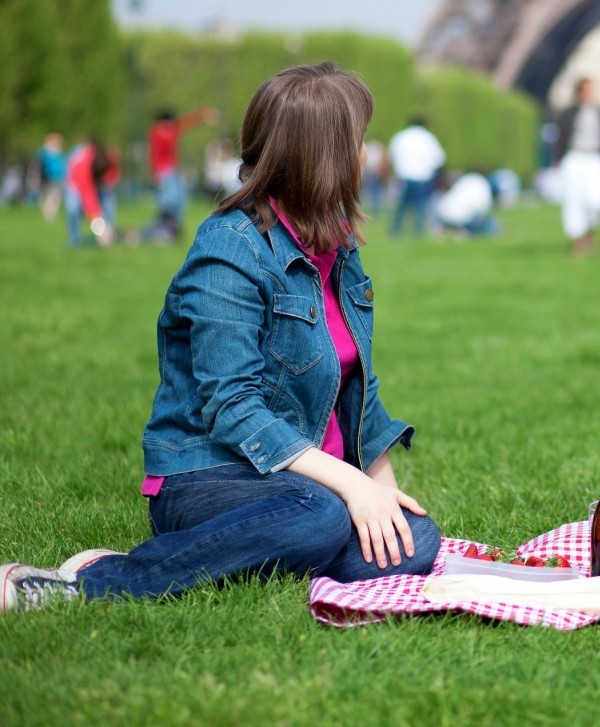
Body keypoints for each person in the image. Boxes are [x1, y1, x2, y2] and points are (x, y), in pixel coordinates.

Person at [1, 63, 440, 612]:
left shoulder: (339, 244)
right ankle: (94, 582)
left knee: (416, 541)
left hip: (303, 483)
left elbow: (360, 386)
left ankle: (223, 559)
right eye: (358, 140)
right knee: (320, 517)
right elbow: (233, 409)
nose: (367, 153)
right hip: (210, 473)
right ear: (323, 154)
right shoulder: (229, 249)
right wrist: (351, 488)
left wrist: (379, 492)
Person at [554, 77, 600, 257]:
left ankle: (590, 232)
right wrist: (558, 161)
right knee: (574, 200)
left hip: (595, 157)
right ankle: (578, 241)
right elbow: (560, 137)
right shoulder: (569, 113)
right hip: (575, 157)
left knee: (597, 199)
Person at [147, 107, 217, 240]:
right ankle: (164, 229)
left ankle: (175, 229)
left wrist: (202, 115)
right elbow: (153, 153)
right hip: (162, 172)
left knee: (180, 200)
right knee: (168, 202)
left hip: (172, 171)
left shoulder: (171, 130)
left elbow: (187, 122)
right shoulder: (156, 132)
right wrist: (155, 172)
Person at [389, 116, 445, 236]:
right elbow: (439, 158)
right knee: (420, 207)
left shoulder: (400, 137)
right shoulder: (428, 138)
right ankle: (417, 232)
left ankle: (396, 231)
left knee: (401, 207)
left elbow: (392, 154)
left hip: (404, 177)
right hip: (422, 178)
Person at [64, 140, 115, 248]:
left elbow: (111, 176)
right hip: (74, 183)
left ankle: (109, 234)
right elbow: (88, 198)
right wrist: (98, 226)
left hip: (90, 179)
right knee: (73, 209)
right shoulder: (83, 166)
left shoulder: (106, 158)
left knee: (107, 203)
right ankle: (75, 242)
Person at [435, 170, 498, 237]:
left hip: (443, 211)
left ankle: (446, 228)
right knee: (484, 222)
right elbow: (484, 208)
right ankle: (462, 230)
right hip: (462, 218)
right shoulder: (482, 185)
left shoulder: (467, 179)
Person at [37, 133, 66, 221]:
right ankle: (48, 213)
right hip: (48, 177)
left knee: (56, 196)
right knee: (48, 195)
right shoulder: (45, 152)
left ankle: (51, 212)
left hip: (58, 177)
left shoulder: (58, 152)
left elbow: (62, 165)